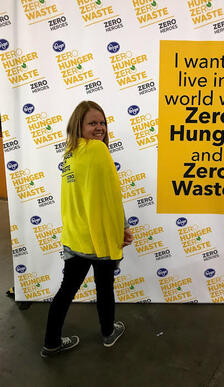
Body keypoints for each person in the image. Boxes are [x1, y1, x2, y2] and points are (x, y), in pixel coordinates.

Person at [40, 101, 133, 358]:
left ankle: (51, 343)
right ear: (78, 125)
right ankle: (107, 333)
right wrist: (122, 227)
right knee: (104, 287)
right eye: (93, 123)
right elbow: (111, 197)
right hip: (97, 238)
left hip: (74, 236)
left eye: (102, 122)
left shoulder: (71, 153)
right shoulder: (97, 151)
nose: (100, 128)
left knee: (66, 290)